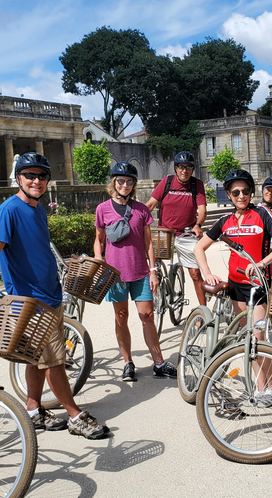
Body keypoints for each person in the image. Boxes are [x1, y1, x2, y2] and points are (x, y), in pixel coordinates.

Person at [0, 152, 107, 440]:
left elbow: (37, 249)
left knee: (35, 359)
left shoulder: (38, 210)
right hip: (31, 302)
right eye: (29, 175)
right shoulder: (9, 210)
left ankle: (33, 410)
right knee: (54, 360)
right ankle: (74, 415)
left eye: (42, 175)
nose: (36, 180)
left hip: (51, 295)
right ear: (18, 178)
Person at [194, 169, 272, 406]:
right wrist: (207, 273)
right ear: (228, 193)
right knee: (249, 339)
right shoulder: (224, 220)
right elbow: (198, 248)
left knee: (258, 338)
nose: (241, 195)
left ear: (251, 192)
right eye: (236, 191)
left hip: (258, 286)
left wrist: (261, 263)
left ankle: (269, 386)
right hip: (236, 287)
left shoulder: (262, 214)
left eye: (245, 191)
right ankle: (263, 385)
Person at [95, 161, 177, 382]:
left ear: (133, 185)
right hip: (116, 274)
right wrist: (98, 260)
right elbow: (99, 240)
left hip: (140, 271)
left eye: (129, 181)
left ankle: (158, 363)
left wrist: (153, 270)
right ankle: (128, 362)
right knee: (121, 317)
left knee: (147, 316)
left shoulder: (141, 209)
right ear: (114, 182)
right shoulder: (102, 209)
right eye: (121, 181)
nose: (125, 185)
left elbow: (148, 242)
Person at [145, 151, 208, 306]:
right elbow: (151, 204)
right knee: (152, 267)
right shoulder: (167, 181)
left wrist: (198, 225)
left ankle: (204, 311)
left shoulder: (196, 185)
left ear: (192, 169)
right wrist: (136, 219)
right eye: (181, 167)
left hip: (186, 233)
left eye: (188, 167)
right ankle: (151, 304)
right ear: (176, 168)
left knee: (195, 273)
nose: (184, 170)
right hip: (164, 232)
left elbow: (202, 210)